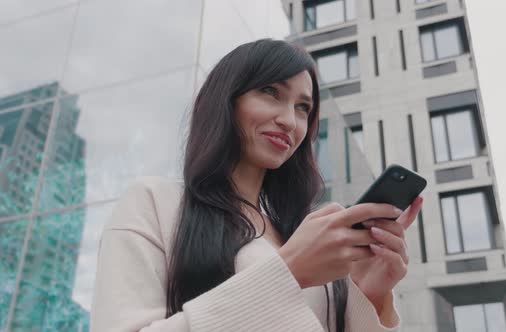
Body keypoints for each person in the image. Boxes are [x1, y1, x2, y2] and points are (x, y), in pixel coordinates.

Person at [90, 38, 423, 332]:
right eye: (270, 92)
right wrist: (289, 272)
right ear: (226, 99)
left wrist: (370, 294)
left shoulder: (302, 235)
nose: (289, 120)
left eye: (303, 108)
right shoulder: (155, 203)